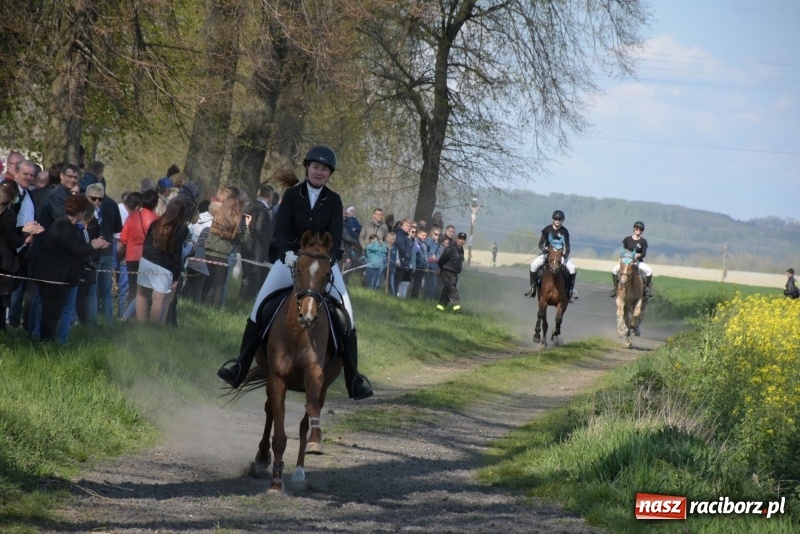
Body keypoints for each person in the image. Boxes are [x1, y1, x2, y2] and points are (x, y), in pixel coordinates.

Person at [217, 145, 374, 400]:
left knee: (348, 315)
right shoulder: (291, 195)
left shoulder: (333, 200)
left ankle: (353, 379)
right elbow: (280, 231)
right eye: (315, 167)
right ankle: (240, 365)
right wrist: (285, 254)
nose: (319, 172)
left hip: (322, 265)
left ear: (329, 173)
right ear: (307, 168)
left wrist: (329, 260)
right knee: (259, 308)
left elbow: (335, 238)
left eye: (324, 169)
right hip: (289, 260)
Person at [33, 195, 109, 341]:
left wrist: (91, 245)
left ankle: (47, 342)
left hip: (61, 277)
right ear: (80, 213)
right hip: (52, 277)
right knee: (50, 313)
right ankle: (45, 343)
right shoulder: (62, 226)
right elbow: (75, 249)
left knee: (53, 312)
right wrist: (93, 246)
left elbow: (79, 248)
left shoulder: (70, 226)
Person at [135, 199, 191, 323]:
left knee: (141, 294)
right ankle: (154, 328)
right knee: (158, 299)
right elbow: (177, 254)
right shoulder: (181, 229)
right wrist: (176, 277)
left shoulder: (156, 222)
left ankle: (140, 325)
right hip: (164, 266)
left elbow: (146, 242)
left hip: (146, 260)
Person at [204, 197, 250, 309]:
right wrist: (247, 225)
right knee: (220, 285)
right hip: (221, 256)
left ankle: (206, 306)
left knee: (213, 283)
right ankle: (215, 310)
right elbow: (244, 239)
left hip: (209, 253)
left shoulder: (217, 219)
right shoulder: (233, 225)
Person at [525, 210, 578, 302]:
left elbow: (568, 248)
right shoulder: (547, 229)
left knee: (572, 268)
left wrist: (564, 256)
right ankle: (533, 288)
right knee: (533, 265)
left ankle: (570, 290)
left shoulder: (565, 231)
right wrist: (544, 249)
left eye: (559, 219)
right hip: (548, 254)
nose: (557, 220)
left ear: (562, 220)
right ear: (553, 219)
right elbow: (540, 244)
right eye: (556, 219)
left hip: (560, 255)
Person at [610, 221, 653, 298]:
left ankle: (646, 289)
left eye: (640, 229)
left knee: (649, 271)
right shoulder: (627, 239)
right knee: (614, 270)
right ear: (634, 229)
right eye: (637, 228)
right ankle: (615, 288)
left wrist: (637, 255)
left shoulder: (643, 241)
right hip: (626, 262)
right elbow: (623, 251)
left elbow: (643, 254)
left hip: (637, 262)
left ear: (642, 231)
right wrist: (620, 259)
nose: (638, 230)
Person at [436, 232, 466, 312]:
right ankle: (458, 310)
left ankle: (439, 309)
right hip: (447, 273)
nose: (462, 241)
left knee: (446, 293)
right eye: (460, 239)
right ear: (457, 239)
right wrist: (442, 270)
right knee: (453, 292)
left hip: (455, 274)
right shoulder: (450, 249)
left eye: (463, 239)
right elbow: (441, 261)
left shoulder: (461, 251)